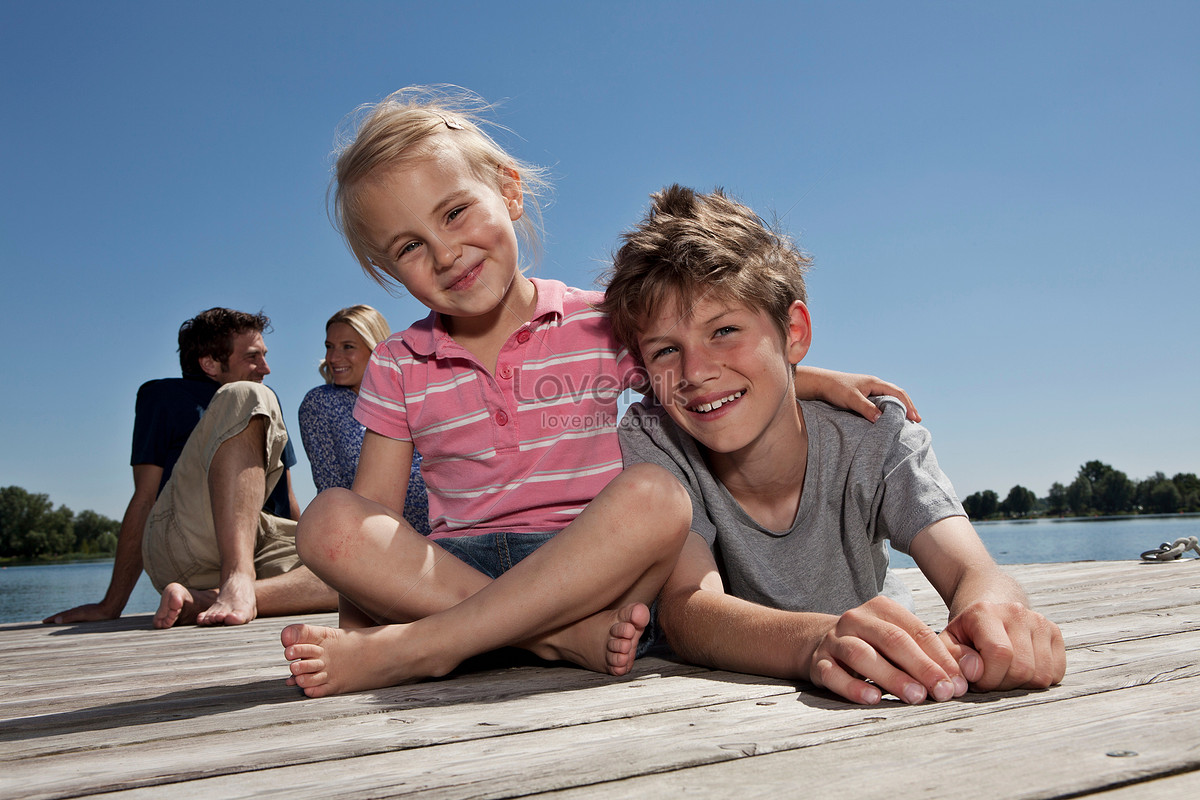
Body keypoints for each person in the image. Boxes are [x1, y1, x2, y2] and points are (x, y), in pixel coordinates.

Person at [279, 87, 907, 697]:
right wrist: (359, 620)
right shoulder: (397, 360)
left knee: (659, 497)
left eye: (454, 212)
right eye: (410, 246)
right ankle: (549, 640)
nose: (445, 252)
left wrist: (812, 379)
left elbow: (696, 375)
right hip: (453, 571)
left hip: (590, 569)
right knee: (330, 519)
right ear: (391, 270)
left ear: (509, 191)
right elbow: (377, 514)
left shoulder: (600, 322)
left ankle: (434, 644)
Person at [602, 185, 1067, 705]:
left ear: (794, 332)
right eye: (667, 349)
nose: (695, 373)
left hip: (889, 679)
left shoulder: (876, 433)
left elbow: (972, 569)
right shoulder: (655, 440)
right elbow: (688, 608)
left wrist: (993, 612)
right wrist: (816, 640)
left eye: (725, 330)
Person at [44, 308, 337, 628]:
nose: (265, 367)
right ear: (209, 363)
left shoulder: (266, 402)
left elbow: (287, 497)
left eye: (264, 355)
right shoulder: (164, 397)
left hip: (260, 542)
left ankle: (209, 598)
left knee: (358, 570)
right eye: (253, 357)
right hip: (188, 537)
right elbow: (144, 498)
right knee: (247, 394)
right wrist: (111, 604)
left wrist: (309, 550)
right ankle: (237, 576)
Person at [298, 305, 430, 534]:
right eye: (329, 347)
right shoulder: (321, 403)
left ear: (375, 349)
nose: (333, 358)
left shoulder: (415, 396)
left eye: (347, 347)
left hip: (445, 534)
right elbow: (330, 488)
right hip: (371, 540)